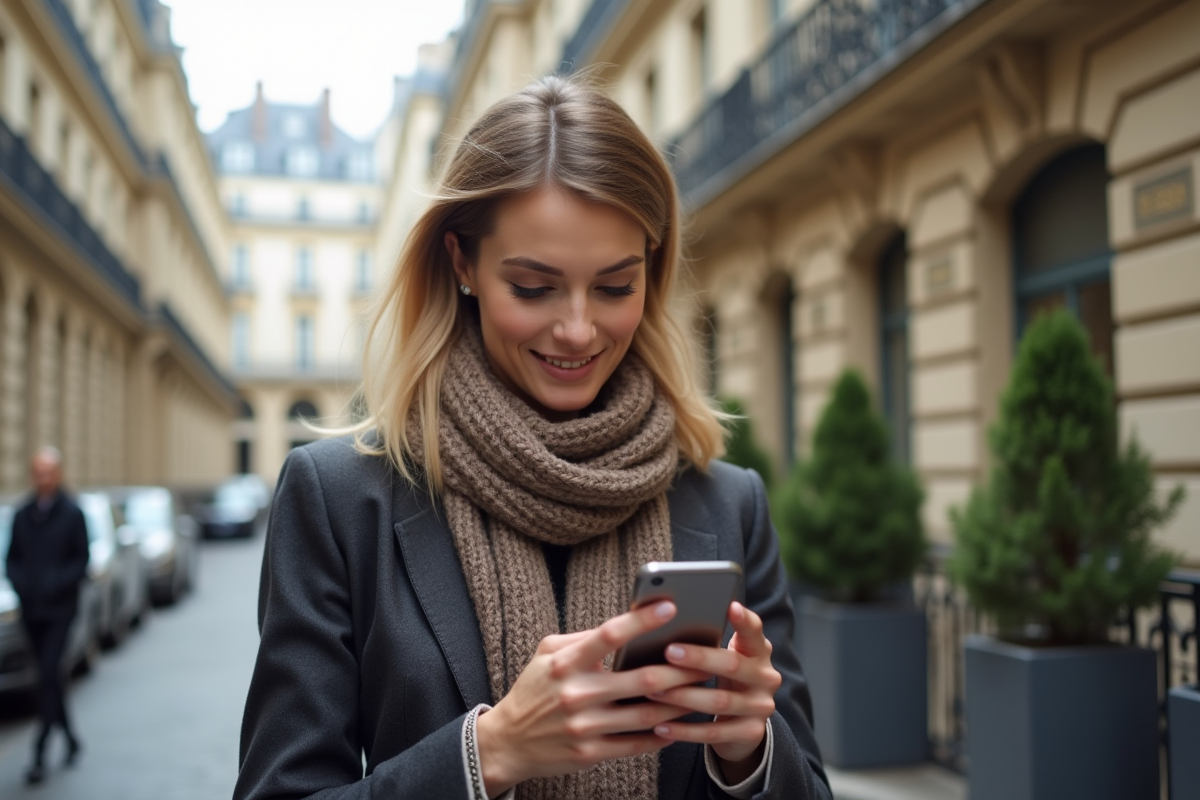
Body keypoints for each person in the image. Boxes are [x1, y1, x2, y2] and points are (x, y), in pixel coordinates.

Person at [234, 76, 831, 800]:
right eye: (534, 287)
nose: (578, 329)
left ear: (654, 267)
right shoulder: (338, 498)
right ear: (462, 263)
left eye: (615, 287)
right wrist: (491, 752)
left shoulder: (727, 502)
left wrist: (750, 752)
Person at [5, 446, 89, 784]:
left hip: (60, 611)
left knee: (48, 673)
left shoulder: (72, 513)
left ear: (58, 474)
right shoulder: (22, 514)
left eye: (48, 471)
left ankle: (39, 752)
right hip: (31, 611)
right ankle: (70, 739)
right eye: (38, 472)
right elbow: (12, 558)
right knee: (50, 676)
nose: (43, 477)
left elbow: (80, 560)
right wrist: (22, 584)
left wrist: (56, 583)